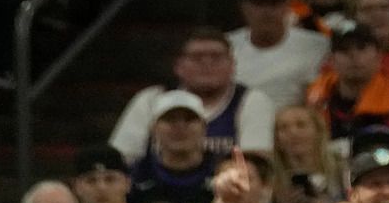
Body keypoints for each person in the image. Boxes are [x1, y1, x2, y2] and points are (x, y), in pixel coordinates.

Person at [110, 28, 277, 161]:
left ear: (232, 65)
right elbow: (120, 158)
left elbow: (256, 164)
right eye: (197, 57)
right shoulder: (151, 99)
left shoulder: (251, 100)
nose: (207, 64)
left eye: (216, 57)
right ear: (178, 66)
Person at [306, 26, 389, 161]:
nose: (353, 56)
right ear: (332, 60)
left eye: (362, 48)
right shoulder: (315, 103)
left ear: (379, 56)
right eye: (343, 50)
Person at [229, 0, 331, 110]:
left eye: (274, 3)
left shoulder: (319, 46)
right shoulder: (226, 47)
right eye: (259, 3)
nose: (267, 11)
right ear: (244, 7)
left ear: (286, 6)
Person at [127, 91, 222, 203]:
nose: (180, 127)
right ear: (153, 128)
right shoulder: (136, 177)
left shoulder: (222, 174)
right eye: (169, 119)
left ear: (204, 127)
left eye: (189, 119)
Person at [271, 106, 347, 203]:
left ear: (319, 132)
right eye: (283, 128)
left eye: (301, 125)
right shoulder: (269, 179)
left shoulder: (342, 170)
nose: (293, 133)